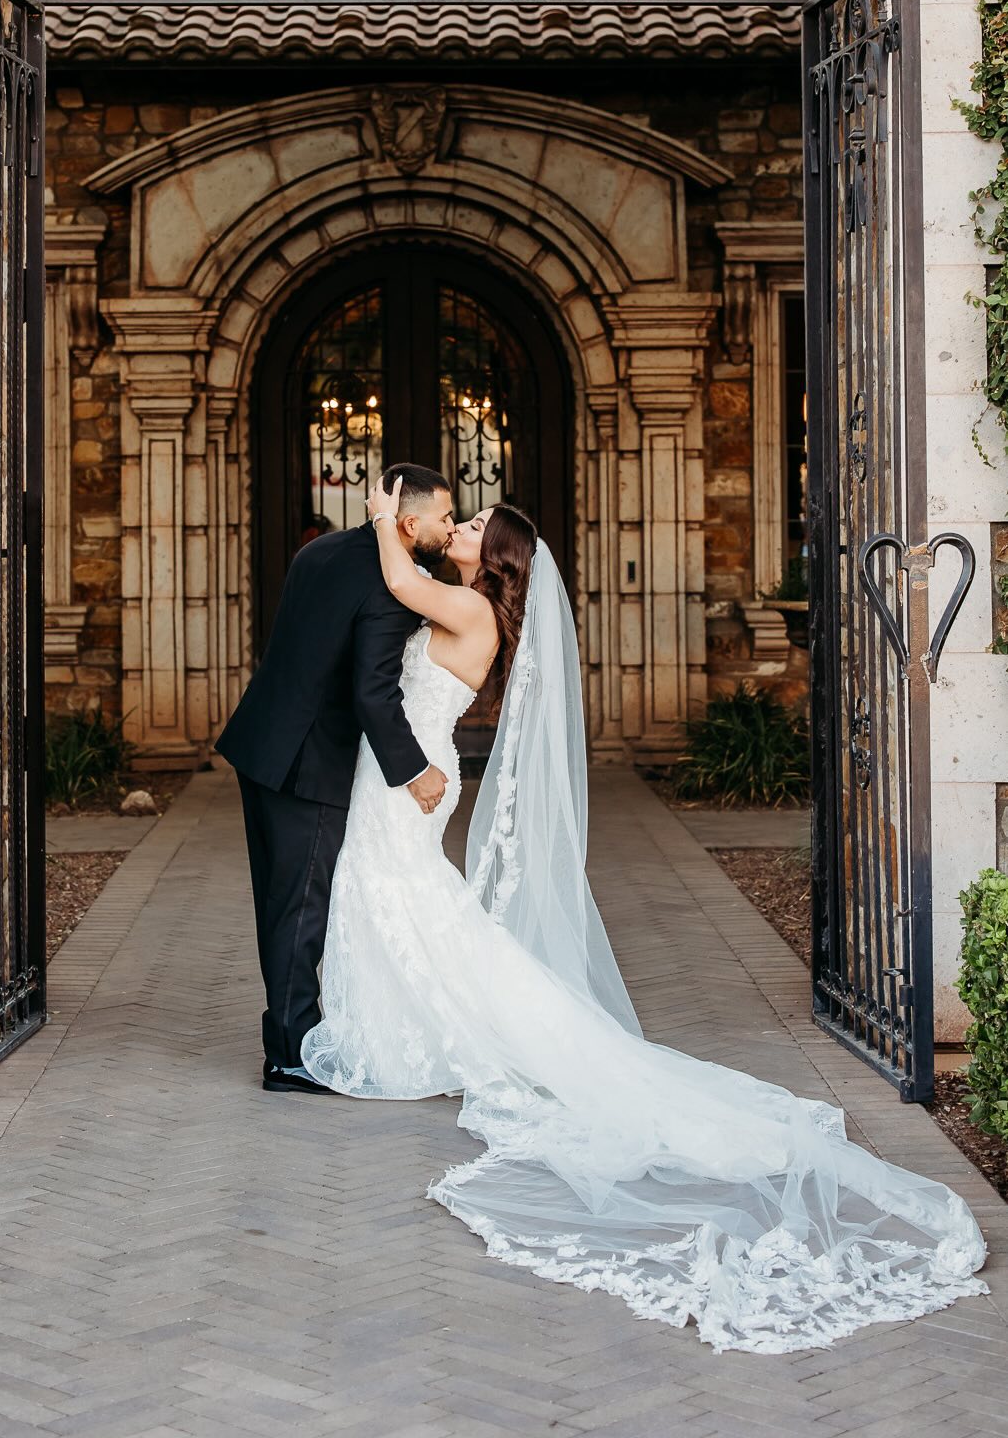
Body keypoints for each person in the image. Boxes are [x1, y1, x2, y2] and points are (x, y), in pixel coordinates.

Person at [300, 475, 988, 1355]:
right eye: (461, 519)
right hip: (410, 776)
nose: (461, 528)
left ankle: (437, 1033)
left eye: (473, 526)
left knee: (404, 895)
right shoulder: (468, 607)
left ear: (497, 560)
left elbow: (397, 585)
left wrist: (376, 516)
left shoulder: (464, 612)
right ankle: (409, 1027)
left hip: (413, 781)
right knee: (397, 896)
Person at [213, 464, 455, 1092]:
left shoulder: (319, 550)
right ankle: (291, 1057)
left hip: (260, 742)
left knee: (278, 902)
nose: (451, 528)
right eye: (445, 518)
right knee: (299, 912)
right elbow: (374, 695)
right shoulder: (392, 587)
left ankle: (288, 1036)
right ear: (408, 523)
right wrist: (414, 772)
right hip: (309, 762)